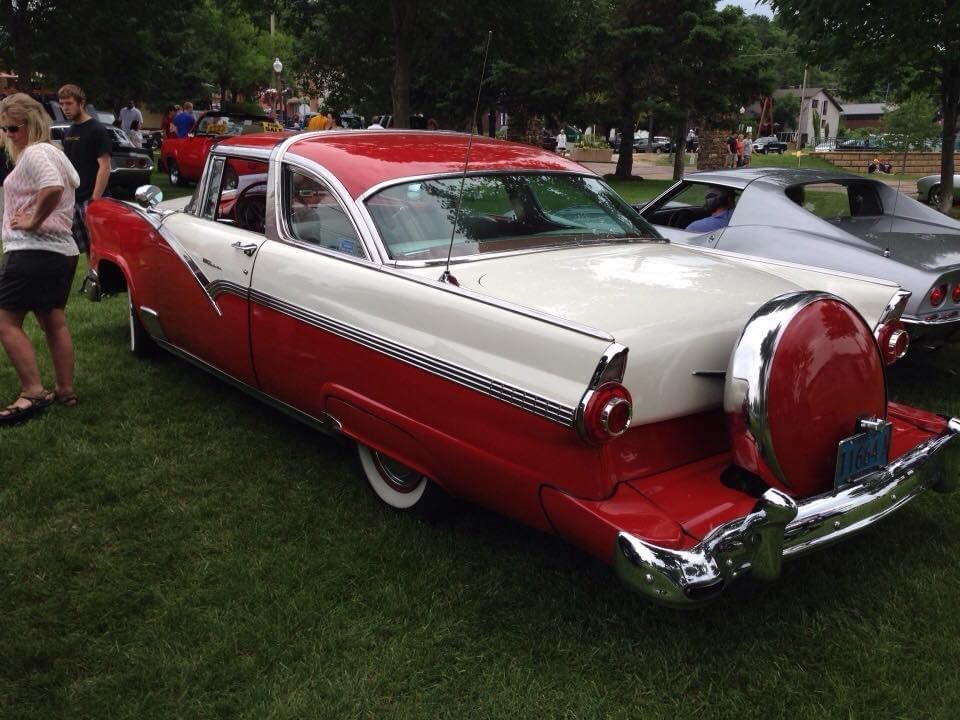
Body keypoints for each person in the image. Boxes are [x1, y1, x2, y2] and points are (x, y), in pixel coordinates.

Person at [0, 93, 81, 424]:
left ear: (30, 124)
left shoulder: (34, 153)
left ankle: (32, 392)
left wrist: (32, 220)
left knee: (5, 322)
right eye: (4, 128)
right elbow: (73, 181)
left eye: (12, 128)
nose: (8, 134)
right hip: (63, 253)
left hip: (32, 250)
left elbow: (53, 188)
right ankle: (65, 390)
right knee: (53, 321)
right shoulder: (56, 153)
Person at [58, 84, 111, 256]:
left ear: (81, 103)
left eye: (69, 103)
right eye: (62, 104)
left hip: (92, 199)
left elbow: (105, 166)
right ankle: (95, 280)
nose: (65, 108)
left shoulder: (97, 130)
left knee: (101, 246)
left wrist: (95, 200)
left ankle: (105, 282)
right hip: (74, 199)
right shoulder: (69, 132)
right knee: (85, 249)